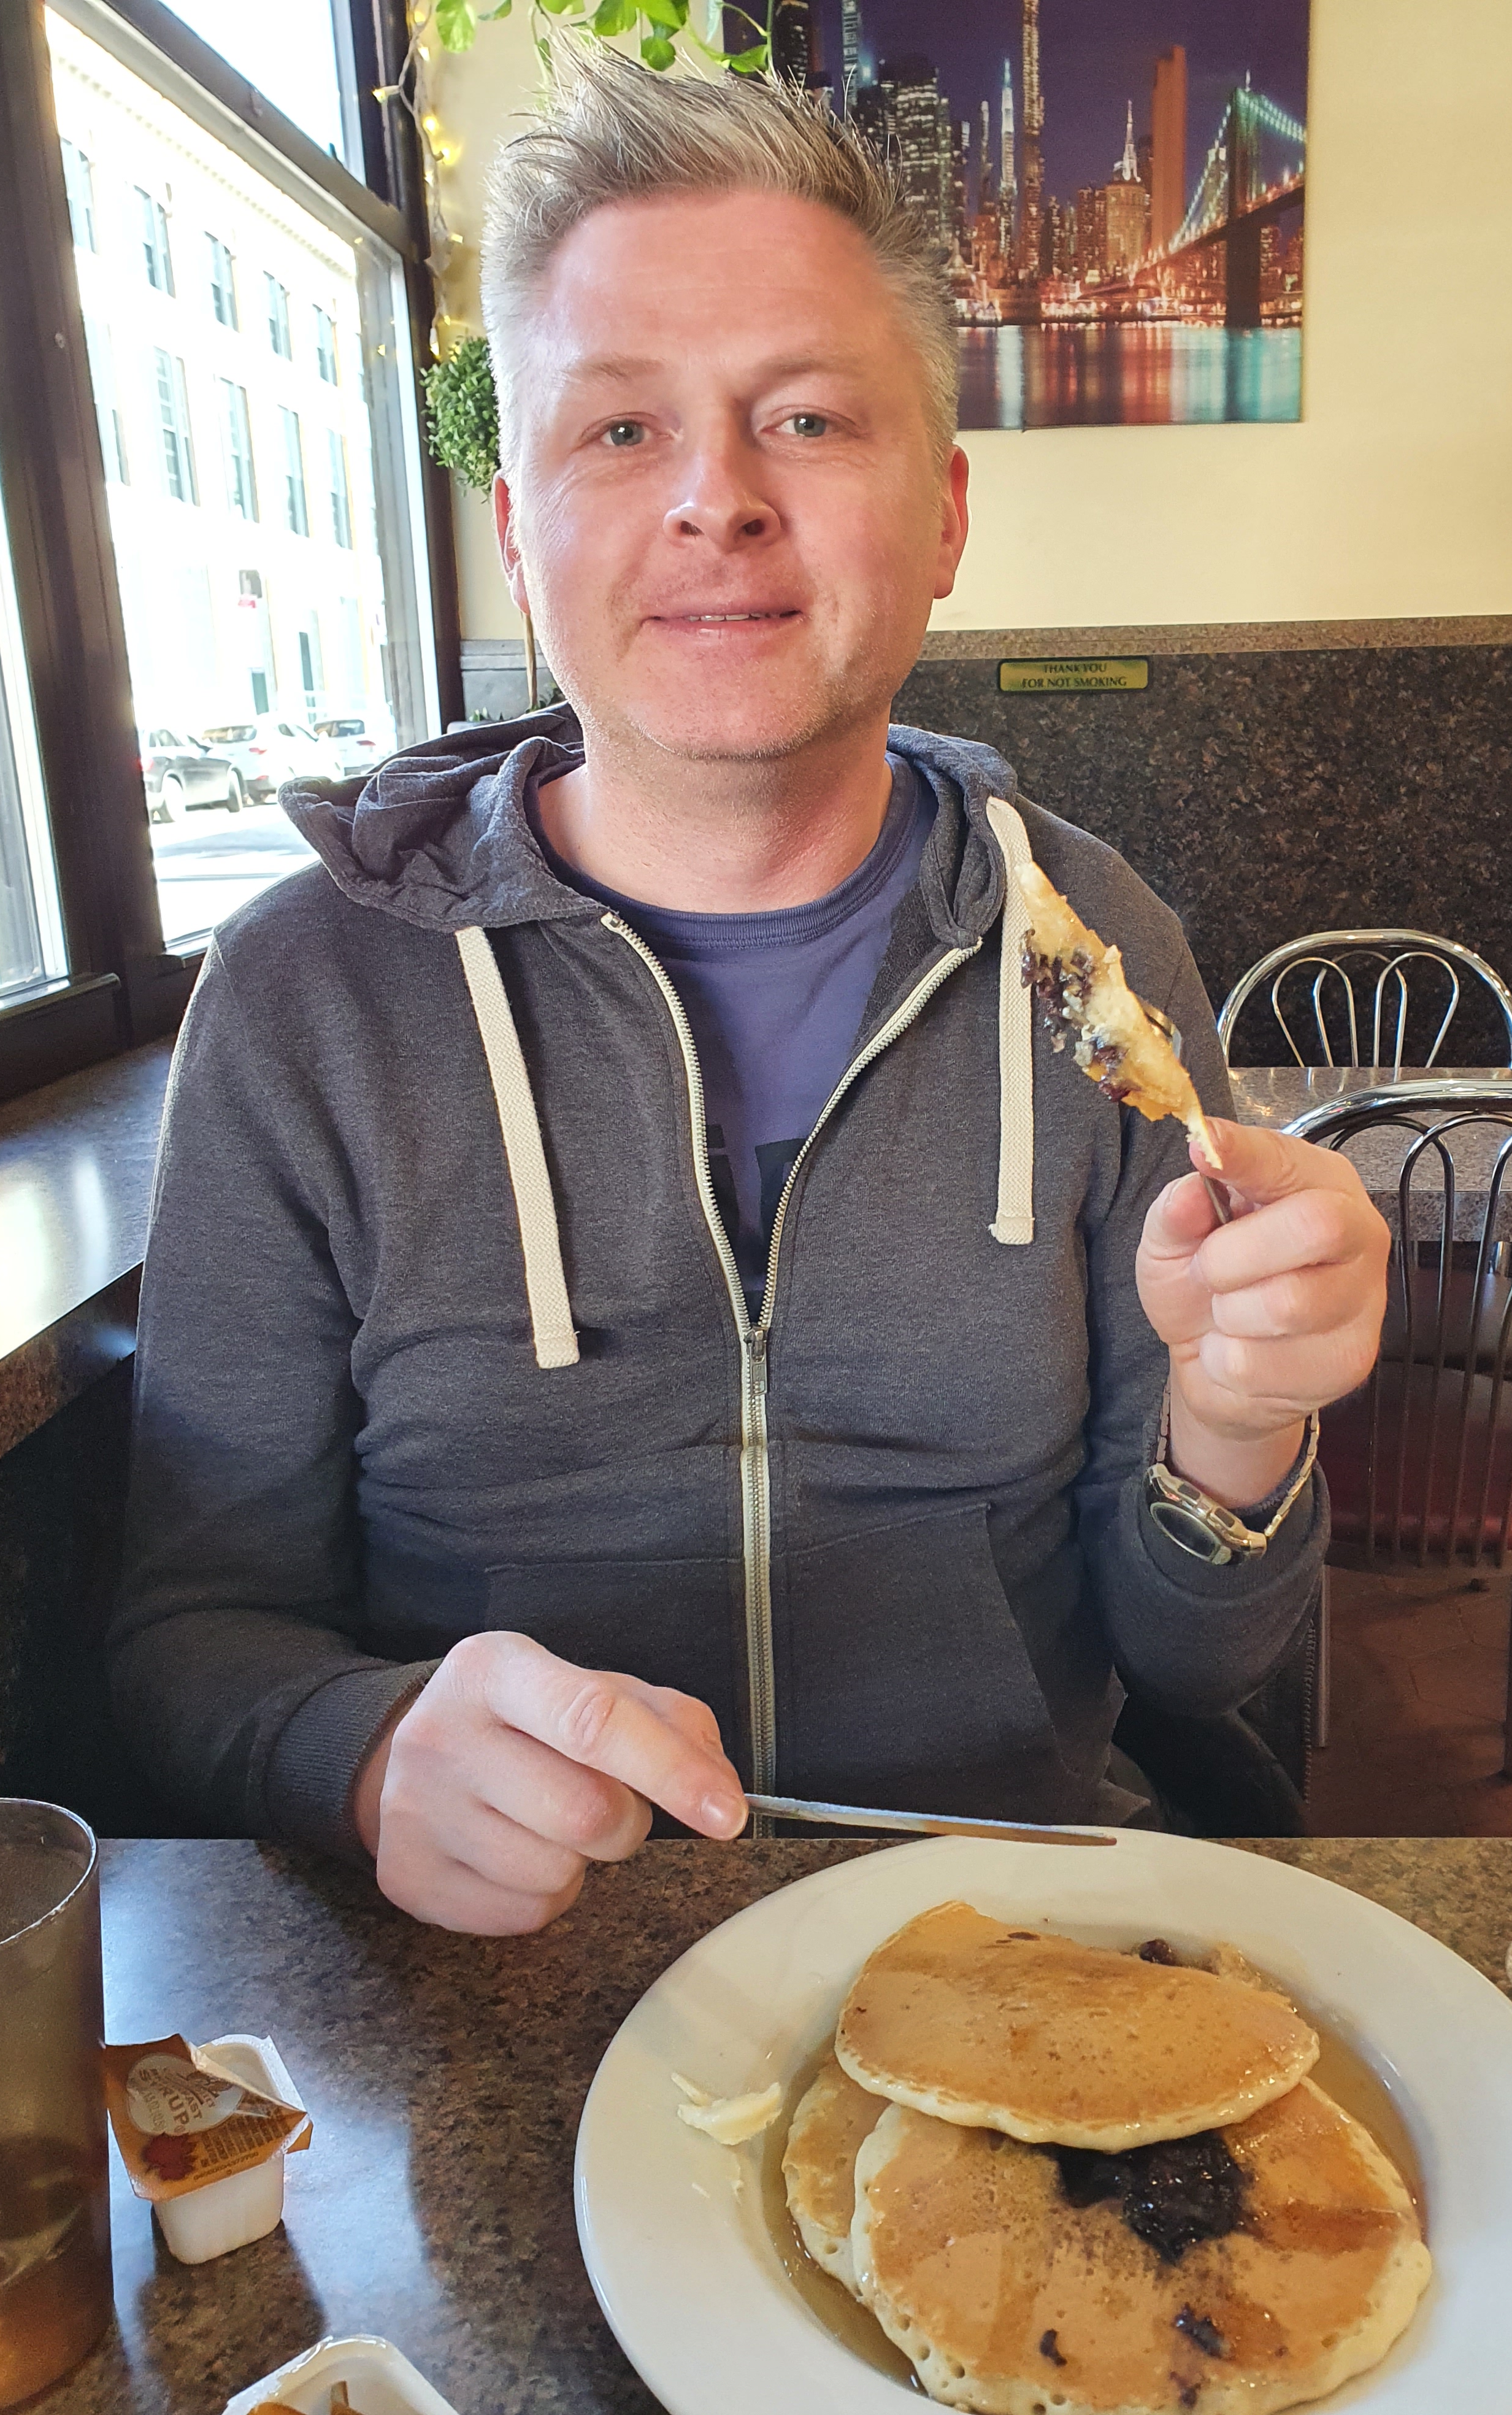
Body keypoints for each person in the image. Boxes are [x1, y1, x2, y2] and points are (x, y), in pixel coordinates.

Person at [108, 54, 1388, 1935]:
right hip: (508, 1984)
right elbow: (187, 1644)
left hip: (993, 1944)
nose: (716, 499)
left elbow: (1198, 1663)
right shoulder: (307, 1000)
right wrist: (363, 1752)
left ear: (942, 518)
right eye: (622, 429)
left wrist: (1241, 1419)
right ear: (517, 529)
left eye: (805, 418)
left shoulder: (1091, 948)